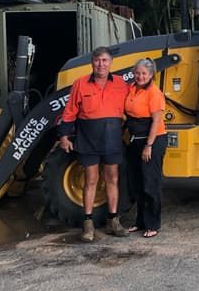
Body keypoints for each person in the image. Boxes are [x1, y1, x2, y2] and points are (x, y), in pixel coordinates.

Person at [56, 46, 130, 242]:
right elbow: (70, 111)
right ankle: (88, 224)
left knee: (112, 178)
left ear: (111, 63)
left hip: (113, 138)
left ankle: (113, 221)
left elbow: (134, 104)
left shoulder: (122, 84)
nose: (101, 64)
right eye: (97, 60)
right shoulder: (80, 84)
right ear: (92, 63)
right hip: (87, 138)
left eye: (105, 60)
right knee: (90, 180)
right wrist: (64, 136)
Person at [125, 58, 167, 238]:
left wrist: (148, 145)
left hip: (152, 140)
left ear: (151, 75)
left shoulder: (154, 93)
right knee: (137, 183)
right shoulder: (132, 88)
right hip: (135, 140)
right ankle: (140, 222)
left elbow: (156, 121)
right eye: (137, 73)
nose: (140, 76)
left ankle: (153, 224)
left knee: (150, 183)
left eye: (143, 73)